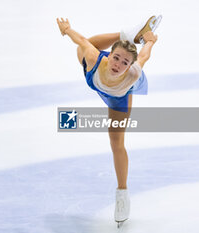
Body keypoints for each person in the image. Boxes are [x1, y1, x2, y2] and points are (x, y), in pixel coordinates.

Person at [56, 16, 159, 227]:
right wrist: (67, 29)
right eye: (116, 58)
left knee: (116, 143)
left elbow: (145, 57)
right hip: (95, 77)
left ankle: (122, 195)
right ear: (108, 55)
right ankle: (125, 36)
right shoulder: (95, 59)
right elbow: (83, 40)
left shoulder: (132, 73)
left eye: (125, 62)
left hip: (118, 97)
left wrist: (150, 42)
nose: (119, 64)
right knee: (83, 50)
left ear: (130, 65)